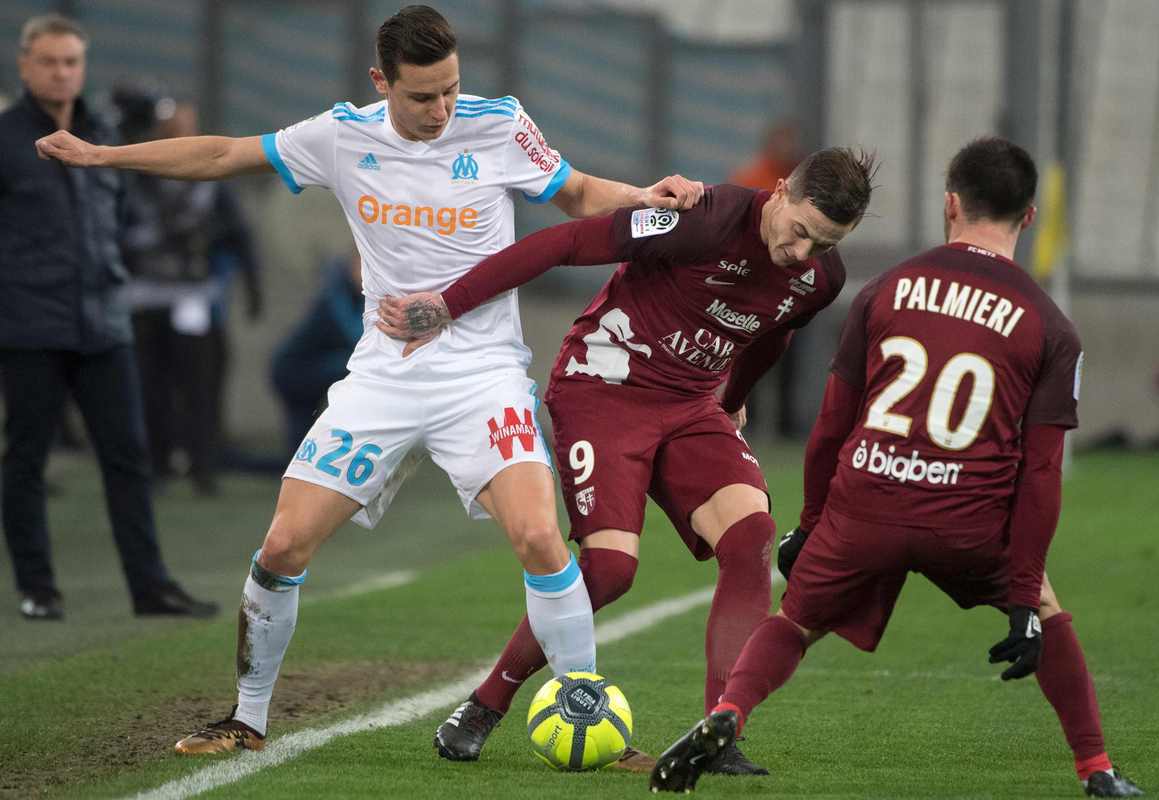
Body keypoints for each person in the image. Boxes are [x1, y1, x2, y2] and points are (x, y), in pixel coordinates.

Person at [35, 4, 702, 755]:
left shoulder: (498, 124)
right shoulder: (340, 136)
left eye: (450, 89)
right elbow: (223, 153)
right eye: (422, 96)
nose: (441, 109)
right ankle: (247, 720)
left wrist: (643, 196)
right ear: (381, 82)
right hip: (384, 378)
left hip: (482, 376)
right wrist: (103, 155)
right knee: (283, 546)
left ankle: (586, 712)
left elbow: (575, 192)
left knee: (541, 536)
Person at [648, 138, 1144, 798]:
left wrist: (811, 526)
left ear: (951, 204)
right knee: (1050, 611)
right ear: (1029, 217)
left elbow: (830, 428)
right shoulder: (1051, 326)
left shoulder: (884, 291)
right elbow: (1041, 474)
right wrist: (1023, 595)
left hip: (868, 501)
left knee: (796, 621)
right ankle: (1097, 769)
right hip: (966, 516)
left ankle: (728, 713)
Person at [378, 147, 876, 773]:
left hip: (691, 404)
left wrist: (733, 399)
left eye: (824, 244)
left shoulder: (821, 278)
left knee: (751, 535)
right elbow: (564, 243)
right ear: (779, 191)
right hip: (605, 386)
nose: (803, 253)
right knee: (611, 570)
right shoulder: (702, 218)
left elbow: (772, 332)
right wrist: (449, 304)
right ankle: (486, 702)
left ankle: (719, 734)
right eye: (801, 231)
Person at [0, 13, 217, 621]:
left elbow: (116, 221)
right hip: (30, 326)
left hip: (104, 322)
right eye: (49, 61)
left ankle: (150, 587)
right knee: (27, 458)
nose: (61, 72)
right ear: (24, 65)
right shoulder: (5, 139)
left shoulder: (103, 133)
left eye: (71, 61)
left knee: (128, 457)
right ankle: (38, 588)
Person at [120, 98, 263, 494]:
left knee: (200, 382)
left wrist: (253, 284)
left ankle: (203, 464)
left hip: (192, 294)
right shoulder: (138, 175)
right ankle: (157, 464)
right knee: (150, 383)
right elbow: (116, 231)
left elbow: (239, 233)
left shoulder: (211, 178)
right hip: (145, 296)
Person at [729, 121, 806, 436]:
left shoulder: (802, 182)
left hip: (784, 288)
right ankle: (747, 419)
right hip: (751, 288)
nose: (788, 148)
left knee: (785, 359)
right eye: (782, 140)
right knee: (746, 356)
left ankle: (786, 425)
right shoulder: (751, 178)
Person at [271, 251, 364, 455]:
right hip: (295, 372)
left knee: (302, 448)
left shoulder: (349, 294)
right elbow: (355, 337)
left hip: (311, 369)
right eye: (363, 267)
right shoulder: (337, 296)